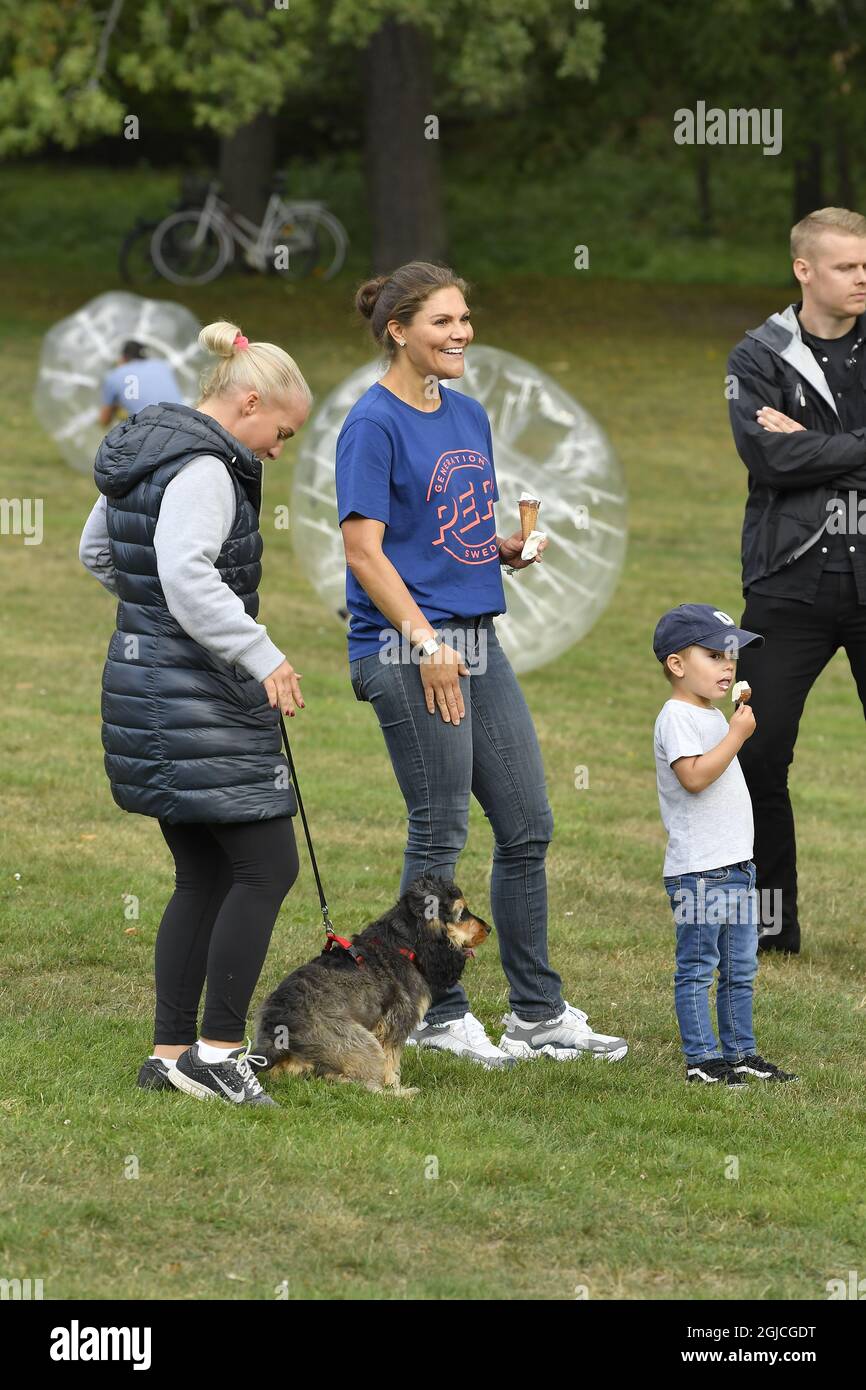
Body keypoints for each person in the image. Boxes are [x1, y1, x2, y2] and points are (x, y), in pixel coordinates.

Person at [334, 260, 628, 1069]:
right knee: (440, 829)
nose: (461, 333)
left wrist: (498, 547)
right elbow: (364, 552)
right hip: (407, 645)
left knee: (529, 824)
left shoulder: (466, 414)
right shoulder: (372, 422)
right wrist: (426, 644)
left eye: (466, 318)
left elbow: (444, 528)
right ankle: (438, 1010)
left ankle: (536, 1013)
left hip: (475, 638)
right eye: (442, 322)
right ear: (399, 330)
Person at [79, 320, 311, 1106]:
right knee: (266, 865)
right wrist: (263, 654)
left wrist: (150, 620)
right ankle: (217, 1053)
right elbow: (186, 575)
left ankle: (169, 1055)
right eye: (281, 432)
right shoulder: (209, 469)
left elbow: (99, 553)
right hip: (197, 695)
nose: (280, 449)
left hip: (147, 689)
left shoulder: (148, 449)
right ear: (249, 403)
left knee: (205, 872)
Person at [727, 206, 866, 954]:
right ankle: (773, 930)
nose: (863, 278)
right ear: (804, 270)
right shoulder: (759, 355)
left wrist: (813, 442)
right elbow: (768, 461)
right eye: (848, 266)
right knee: (756, 750)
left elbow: (796, 455)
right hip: (787, 583)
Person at [653, 604, 798, 1086]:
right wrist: (737, 735)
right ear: (677, 664)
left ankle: (740, 1053)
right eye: (714, 655)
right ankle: (702, 1059)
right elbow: (694, 778)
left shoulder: (713, 714)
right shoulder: (676, 717)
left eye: (731, 655)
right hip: (700, 872)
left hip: (737, 867)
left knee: (740, 968)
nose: (728, 665)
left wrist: (732, 728)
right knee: (698, 967)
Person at [99, 340, 183, 427]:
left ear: (122, 358)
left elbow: (104, 421)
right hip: (185, 420)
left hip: (153, 429)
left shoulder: (113, 376)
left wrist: (116, 409)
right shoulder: (162, 365)